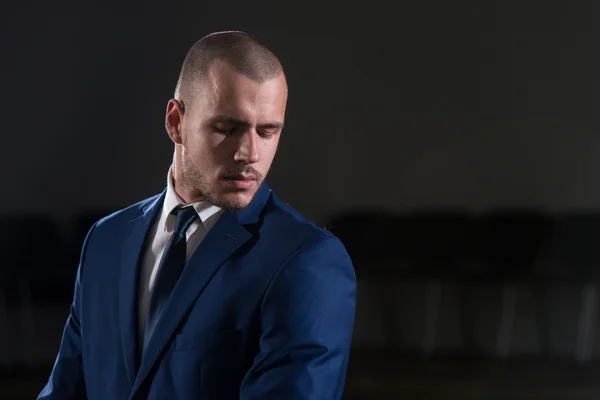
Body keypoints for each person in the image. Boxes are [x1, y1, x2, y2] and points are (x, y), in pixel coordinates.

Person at [38, 31, 356, 399]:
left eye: (267, 132)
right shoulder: (106, 241)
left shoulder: (308, 262)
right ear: (176, 122)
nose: (249, 153)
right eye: (227, 128)